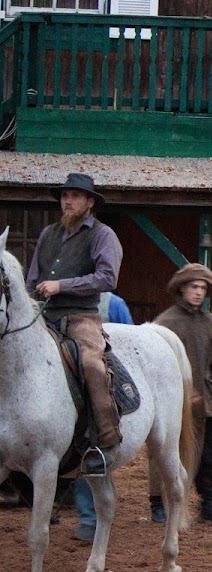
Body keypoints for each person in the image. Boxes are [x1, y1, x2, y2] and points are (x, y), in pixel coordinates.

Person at [24, 173, 123, 477]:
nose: (68, 201)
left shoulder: (103, 235)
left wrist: (60, 285)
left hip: (81, 318)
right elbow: (31, 279)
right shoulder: (48, 234)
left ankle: (105, 442)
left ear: (90, 202)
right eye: (65, 196)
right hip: (42, 317)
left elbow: (108, 278)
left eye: (76, 196)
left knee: (92, 364)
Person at [150, 263, 212, 523]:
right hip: (170, 399)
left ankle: (208, 502)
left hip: (205, 400)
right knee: (166, 448)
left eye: (203, 288)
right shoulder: (165, 324)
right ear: (182, 288)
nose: (199, 292)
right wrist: (181, 391)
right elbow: (157, 365)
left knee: (211, 445)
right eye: (194, 287)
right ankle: (158, 503)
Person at [70, 291, 135, 541]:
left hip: (99, 376)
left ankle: (89, 517)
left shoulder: (113, 304)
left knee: (90, 438)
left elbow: (127, 347)